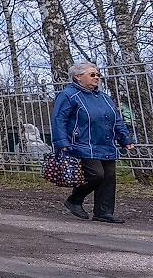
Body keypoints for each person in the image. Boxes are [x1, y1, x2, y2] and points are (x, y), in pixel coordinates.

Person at [51, 62, 134, 223]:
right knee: (96, 174)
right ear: (78, 77)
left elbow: (116, 119)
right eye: (92, 74)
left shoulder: (104, 97)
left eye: (98, 75)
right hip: (82, 143)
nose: (97, 77)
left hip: (106, 143)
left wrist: (125, 138)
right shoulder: (68, 95)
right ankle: (74, 200)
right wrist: (61, 141)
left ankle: (103, 212)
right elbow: (59, 119)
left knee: (109, 176)